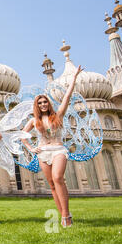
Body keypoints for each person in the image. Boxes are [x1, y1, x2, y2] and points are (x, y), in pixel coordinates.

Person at [21, 65, 83, 228]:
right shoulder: (34, 121)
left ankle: (66, 214)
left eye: (45, 102)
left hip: (58, 151)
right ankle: (63, 215)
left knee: (58, 178)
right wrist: (30, 148)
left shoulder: (58, 115)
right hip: (43, 153)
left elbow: (66, 98)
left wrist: (74, 79)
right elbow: (22, 135)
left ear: (48, 103)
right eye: (40, 102)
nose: (43, 104)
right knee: (52, 185)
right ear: (37, 105)